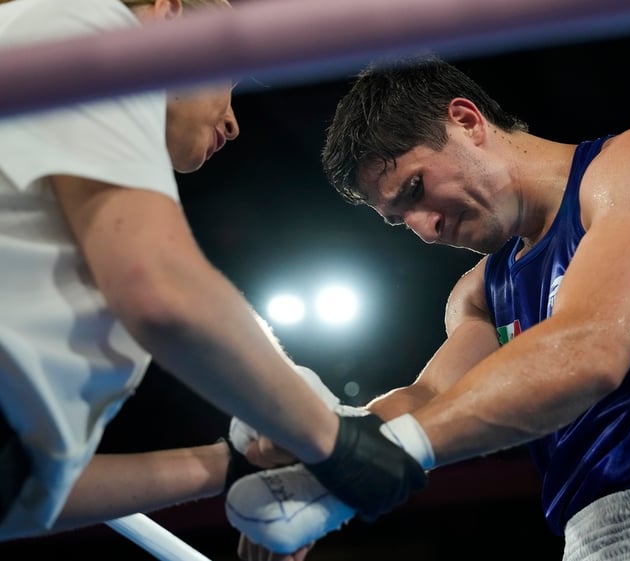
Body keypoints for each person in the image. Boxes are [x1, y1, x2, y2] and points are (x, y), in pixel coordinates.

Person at [230, 53, 630, 561]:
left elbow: (589, 349)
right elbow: (430, 398)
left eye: (416, 188)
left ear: (467, 121)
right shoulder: (476, 293)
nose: (425, 229)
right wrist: (319, 441)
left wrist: (368, 461)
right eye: (401, 220)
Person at [0, 0, 425, 544]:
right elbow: (162, 291)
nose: (233, 118)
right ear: (172, 15)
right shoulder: (83, 23)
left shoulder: (66, 233)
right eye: (229, 75)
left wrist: (234, 466)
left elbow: (30, 498)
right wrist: (336, 443)